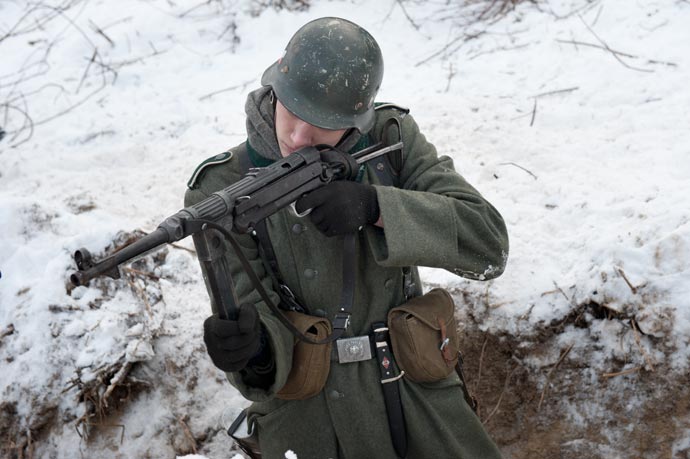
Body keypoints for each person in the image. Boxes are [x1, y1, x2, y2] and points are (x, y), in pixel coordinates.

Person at [185, 16, 508, 459]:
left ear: (358, 118)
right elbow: (253, 311)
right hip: (311, 420)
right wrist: (254, 350)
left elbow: (487, 247)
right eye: (291, 112)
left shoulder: (391, 141)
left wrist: (378, 208)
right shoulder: (222, 187)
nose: (298, 137)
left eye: (319, 123)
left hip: (415, 396)